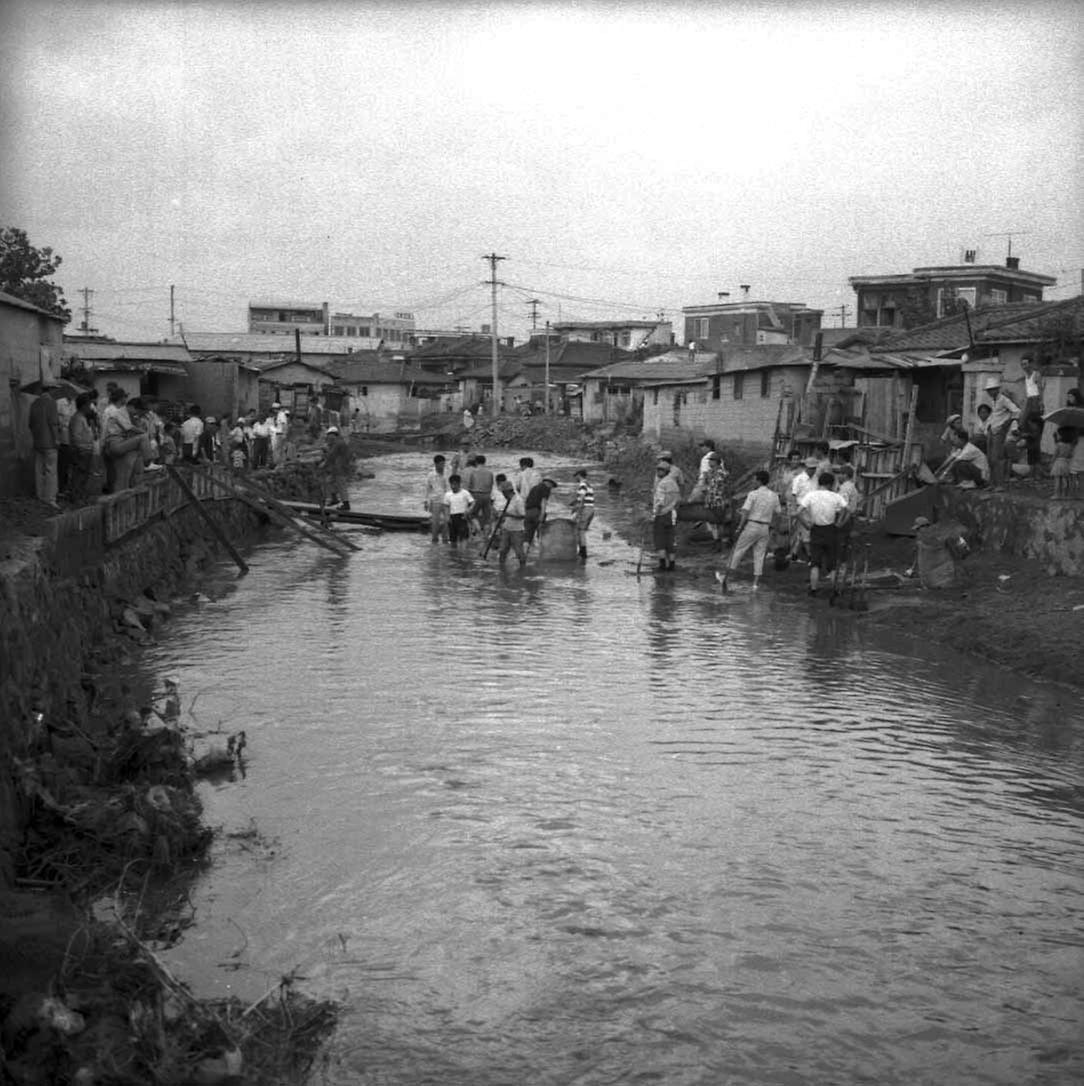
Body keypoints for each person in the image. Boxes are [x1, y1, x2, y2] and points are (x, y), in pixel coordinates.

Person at [717, 470, 781, 592]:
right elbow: (778, 512)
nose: (753, 482)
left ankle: (725, 578)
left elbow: (745, 512)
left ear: (759, 481)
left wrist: (739, 527)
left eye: (754, 480)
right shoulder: (774, 495)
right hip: (765, 527)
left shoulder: (753, 494)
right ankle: (755, 585)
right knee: (759, 555)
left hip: (752, 525)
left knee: (738, 551)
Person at [798, 471, 849, 597]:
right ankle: (833, 591)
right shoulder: (835, 496)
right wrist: (840, 523)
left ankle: (814, 590)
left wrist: (806, 524)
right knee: (831, 563)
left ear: (819, 483)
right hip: (831, 530)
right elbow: (848, 510)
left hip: (816, 529)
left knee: (815, 563)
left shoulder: (811, 495)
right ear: (830, 484)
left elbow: (797, 512)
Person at [28, 381, 61, 507]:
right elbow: (53, 423)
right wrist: (56, 439)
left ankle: (40, 495)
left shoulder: (34, 403)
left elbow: (30, 424)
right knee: (51, 471)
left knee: (39, 470)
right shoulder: (51, 402)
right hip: (50, 443)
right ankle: (51, 499)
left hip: (38, 442)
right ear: (51, 389)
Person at [983, 377, 1021, 486]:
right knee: (990, 458)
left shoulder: (1004, 400)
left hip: (999, 430)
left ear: (996, 389)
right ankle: (992, 483)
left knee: (998, 458)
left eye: (992, 389)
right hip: (992, 429)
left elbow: (1017, 411)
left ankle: (999, 484)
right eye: (989, 390)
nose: (990, 392)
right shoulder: (993, 400)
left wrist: (1007, 423)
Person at [690, 452, 729, 551]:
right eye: (710, 460)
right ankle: (717, 542)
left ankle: (722, 542)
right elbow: (705, 485)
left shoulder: (723, 473)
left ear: (717, 462)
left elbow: (726, 487)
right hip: (710, 499)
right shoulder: (709, 473)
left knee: (719, 522)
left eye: (712, 460)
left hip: (719, 500)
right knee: (712, 523)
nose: (710, 462)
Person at [67, 391, 97, 502]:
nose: (90, 408)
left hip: (85, 450)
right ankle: (75, 497)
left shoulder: (82, 417)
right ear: (84, 406)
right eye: (89, 405)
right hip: (81, 451)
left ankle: (80, 495)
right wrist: (82, 448)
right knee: (79, 475)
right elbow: (76, 436)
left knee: (83, 475)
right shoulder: (78, 418)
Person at [651, 459, 681, 571]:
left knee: (660, 540)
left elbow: (660, 502)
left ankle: (662, 565)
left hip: (662, 515)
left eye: (660, 470)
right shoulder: (674, 483)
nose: (658, 472)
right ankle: (672, 564)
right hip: (672, 514)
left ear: (665, 472)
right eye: (658, 469)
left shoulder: (662, 484)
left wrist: (654, 514)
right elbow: (678, 499)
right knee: (670, 539)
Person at [789, 457, 818, 561]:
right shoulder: (798, 479)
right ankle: (811, 556)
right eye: (811, 468)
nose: (812, 470)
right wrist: (795, 511)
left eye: (814, 468)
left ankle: (794, 554)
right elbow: (793, 496)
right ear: (806, 467)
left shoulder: (816, 479)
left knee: (803, 533)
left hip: (813, 509)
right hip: (801, 509)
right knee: (806, 533)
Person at [320, 426, 354, 509]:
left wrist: (324, 464)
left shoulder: (338, 443)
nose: (328, 437)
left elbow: (332, 455)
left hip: (340, 469)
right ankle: (334, 498)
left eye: (329, 435)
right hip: (337, 468)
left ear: (333, 435)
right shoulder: (338, 443)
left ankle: (346, 504)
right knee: (328, 482)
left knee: (341, 486)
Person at [495, 477, 527, 566]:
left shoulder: (518, 500)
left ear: (507, 492)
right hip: (506, 528)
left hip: (517, 530)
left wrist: (509, 515)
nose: (503, 495)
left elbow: (523, 515)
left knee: (519, 552)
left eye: (503, 493)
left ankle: (523, 569)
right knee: (502, 550)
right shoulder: (509, 500)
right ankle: (501, 568)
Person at [443, 473, 476, 547]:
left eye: (455, 484)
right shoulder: (447, 495)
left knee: (463, 538)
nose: (453, 486)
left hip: (462, 517)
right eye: (452, 484)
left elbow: (473, 502)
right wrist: (447, 517)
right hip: (452, 518)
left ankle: (463, 553)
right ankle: (454, 554)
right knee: (453, 539)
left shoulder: (465, 493)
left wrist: (469, 509)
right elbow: (446, 506)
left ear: (459, 484)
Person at [523, 477, 557, 547]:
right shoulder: (545, 488)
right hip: (537, 512)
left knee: (527, 536)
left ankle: (524, 554)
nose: (551, 488)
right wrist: (542, 515)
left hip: (528, 512)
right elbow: (543, 502)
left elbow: (526, 501)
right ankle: (541, 553)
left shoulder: (534, 488)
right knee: (541, 534)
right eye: (551, 486)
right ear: (549, 483)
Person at [569, 468, 595, 559]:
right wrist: (574, 501)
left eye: (575, 476)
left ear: (579, 475)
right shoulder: (588, 484)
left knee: (580, 531)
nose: (575, 478)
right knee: (581, 530)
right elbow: (584, 497)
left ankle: (583, 553)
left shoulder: (582, 484)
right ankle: (582, 552)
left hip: (585, 509)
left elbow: (582, 497)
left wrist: (577, 509)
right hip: (590, 509)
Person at [423, 454, 449, 543]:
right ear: (436, 464)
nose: (443, 466)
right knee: (435, 521)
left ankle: (445, 539)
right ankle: (434, 539)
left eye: (444, 464)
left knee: (447, 521)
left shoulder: (447, 473)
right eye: (441, 464)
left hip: (446, 501)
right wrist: (426, 501)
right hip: (435, 501)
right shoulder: (431, 475)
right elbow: (427, 488)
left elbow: (449, 487)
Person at [469, 453, 495, 531]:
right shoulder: (490, 473)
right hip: (487, 495)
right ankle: (486, 536)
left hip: (476, 495)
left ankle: (478, 530)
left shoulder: (473, 472)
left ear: (476, 462)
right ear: (485, 462)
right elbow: (491, 485)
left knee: (472, 515)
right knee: (487, 517)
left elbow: (471, 485)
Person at [1050, 427, 1074, 499]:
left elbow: (1055, 455)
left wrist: (1051, 462)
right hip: (1066, 463)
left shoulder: (1059, 445)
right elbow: (1071, 455)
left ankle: (1057, 494)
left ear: (1062, 435)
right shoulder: (1070, 445)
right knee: (1065, 480)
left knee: (1057, 480)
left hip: (1058, 462)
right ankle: (1065, 495)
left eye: (1058, 434)